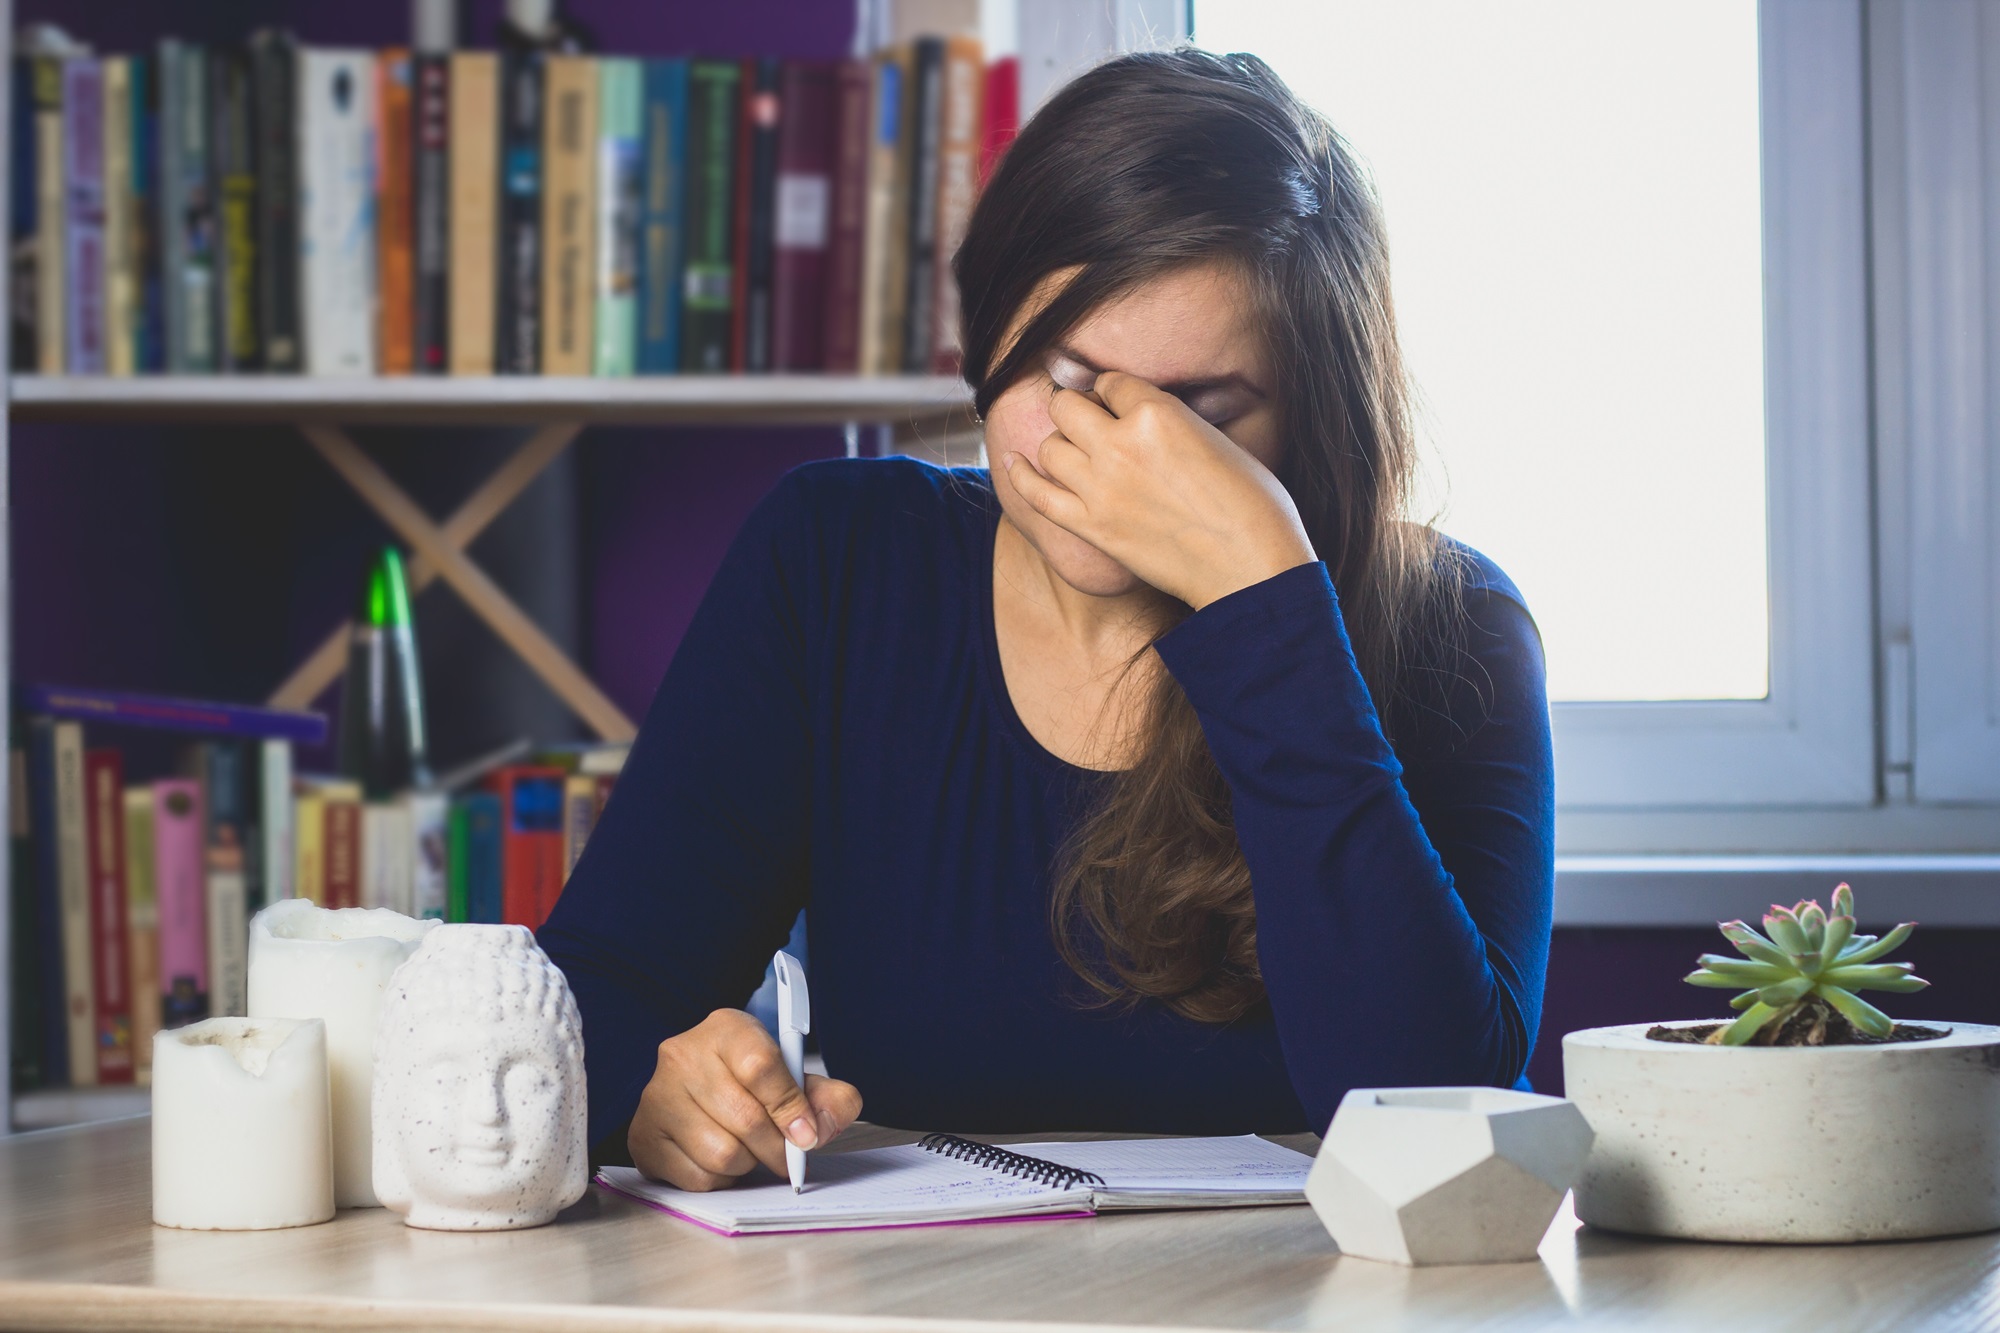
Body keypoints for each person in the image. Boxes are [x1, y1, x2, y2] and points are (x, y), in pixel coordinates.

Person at [539, 48, 1553, 1193]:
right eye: (1068, 381)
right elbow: (598, 989)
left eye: (1197, 415)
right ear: (984, 349)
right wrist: (658, 1094)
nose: (1110, 454)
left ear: (1307, 424)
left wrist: (1266, 604)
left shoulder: (1453, 627)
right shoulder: (839, 561)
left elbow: (1432, 1116)